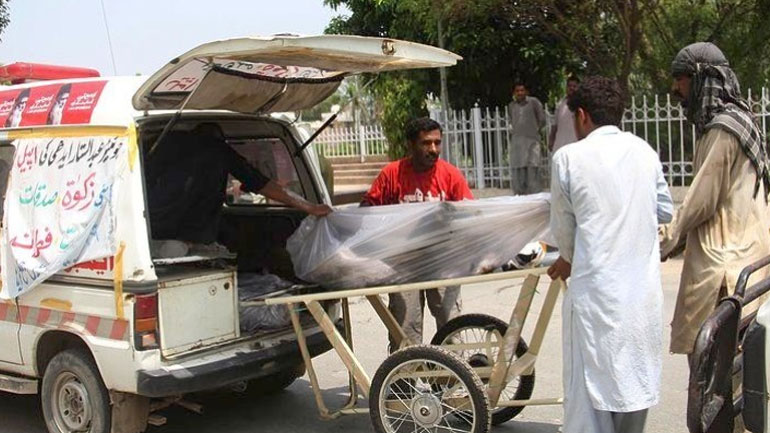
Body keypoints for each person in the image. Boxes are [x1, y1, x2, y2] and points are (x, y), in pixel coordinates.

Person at [548, 76, 673, 433]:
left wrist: (566, 259)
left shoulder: (568, 158)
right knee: (633, 384)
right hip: (640, 295)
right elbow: (665, 210)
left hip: (595, 294)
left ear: (582, 116)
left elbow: (564, 231)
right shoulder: (644, 152)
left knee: (588, 395)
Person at [660, 42, 770, 356]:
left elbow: (701, 201)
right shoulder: (743, 120)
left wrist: (664, 241)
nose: (676, 88)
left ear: (700, 79)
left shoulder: (722, 130)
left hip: (723, 266)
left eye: (680, 79)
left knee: (711, 369)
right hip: (748, 255)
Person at [361, 117, 473, 351]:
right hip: (404, 263)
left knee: (451, 326)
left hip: (443, 261)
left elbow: (469, 214)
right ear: (411, 145)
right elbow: (367, 213)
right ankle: (404, 384)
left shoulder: (450, 175)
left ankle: (454, 384)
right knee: (404, 331)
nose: (433, 149)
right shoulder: (392, 174)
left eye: (437, 143)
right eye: (426, 143)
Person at [146, 122, 332, 256]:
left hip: (149, 237)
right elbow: (262, 184)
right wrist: (309, 207)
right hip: (188, 239)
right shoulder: (218, 150)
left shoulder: (157, 149)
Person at [507, 83, 546, 195]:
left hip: (532, 142)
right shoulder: (512, 106)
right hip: (518, 143)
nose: (520, 93)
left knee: (533, 167)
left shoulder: (534, 102)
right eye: (517, 91)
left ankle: (535, 195)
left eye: (522, 90)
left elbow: (542, 120)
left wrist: (534, 130)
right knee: (519, 169)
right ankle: (520, 195)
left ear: (526, 92)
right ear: (514, 93)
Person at [548, 75, 580, 153]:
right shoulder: (560, 104)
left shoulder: (582, 104)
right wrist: (551, 140)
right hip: (560, 144)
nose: (571, 88)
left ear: (578, 88)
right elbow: (554, 125)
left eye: (574, 86)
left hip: (576, 145)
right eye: (569, 86)